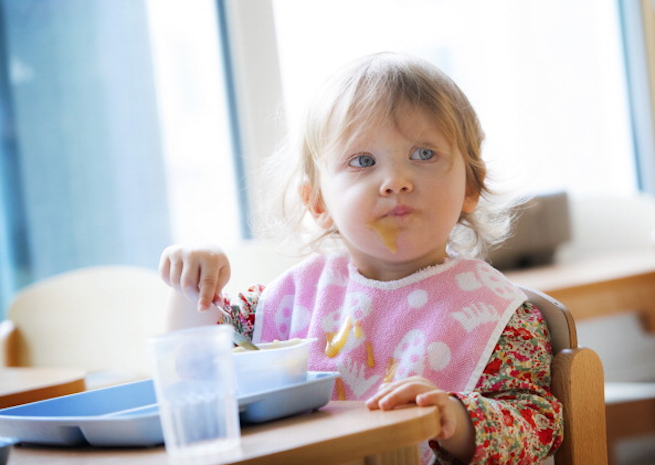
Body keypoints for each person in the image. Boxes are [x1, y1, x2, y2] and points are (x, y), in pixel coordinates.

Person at [159, 52, 563, 465]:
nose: (395, 182)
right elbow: (193, 363)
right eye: (363, 161)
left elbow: (538, 423)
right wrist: (192, 282)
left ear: (471, 186)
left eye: (424, 154)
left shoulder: (496, 313)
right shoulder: (296, 298)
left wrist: (456, 418)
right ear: (318, 201)